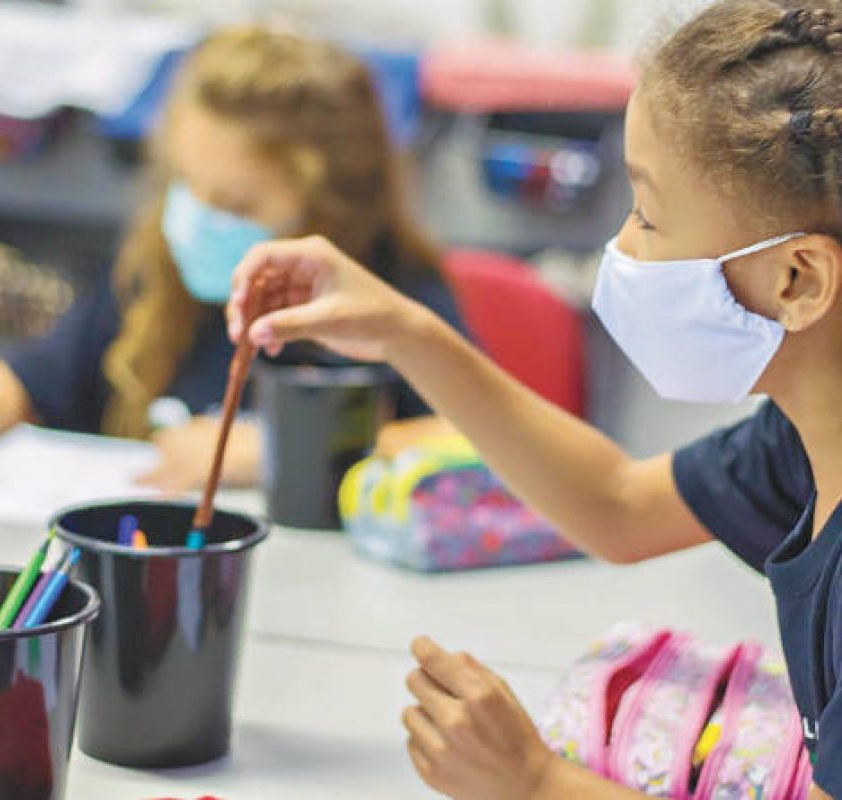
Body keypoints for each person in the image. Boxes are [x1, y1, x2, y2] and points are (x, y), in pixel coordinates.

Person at [227, 2, 842, 797]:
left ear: (799, 280)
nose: (621, 250)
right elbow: (618, 505)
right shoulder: (806, 441)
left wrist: (535, 782)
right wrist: (404, 334)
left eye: (649, 216)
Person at [0, 27, 463, 492]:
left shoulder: (395, 302)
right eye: (186, 184)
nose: (198, 219)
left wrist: (288, 449)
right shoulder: (154, 275)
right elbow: (34, 382)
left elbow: (477, 443)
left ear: (330, 204)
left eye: (236, 203)